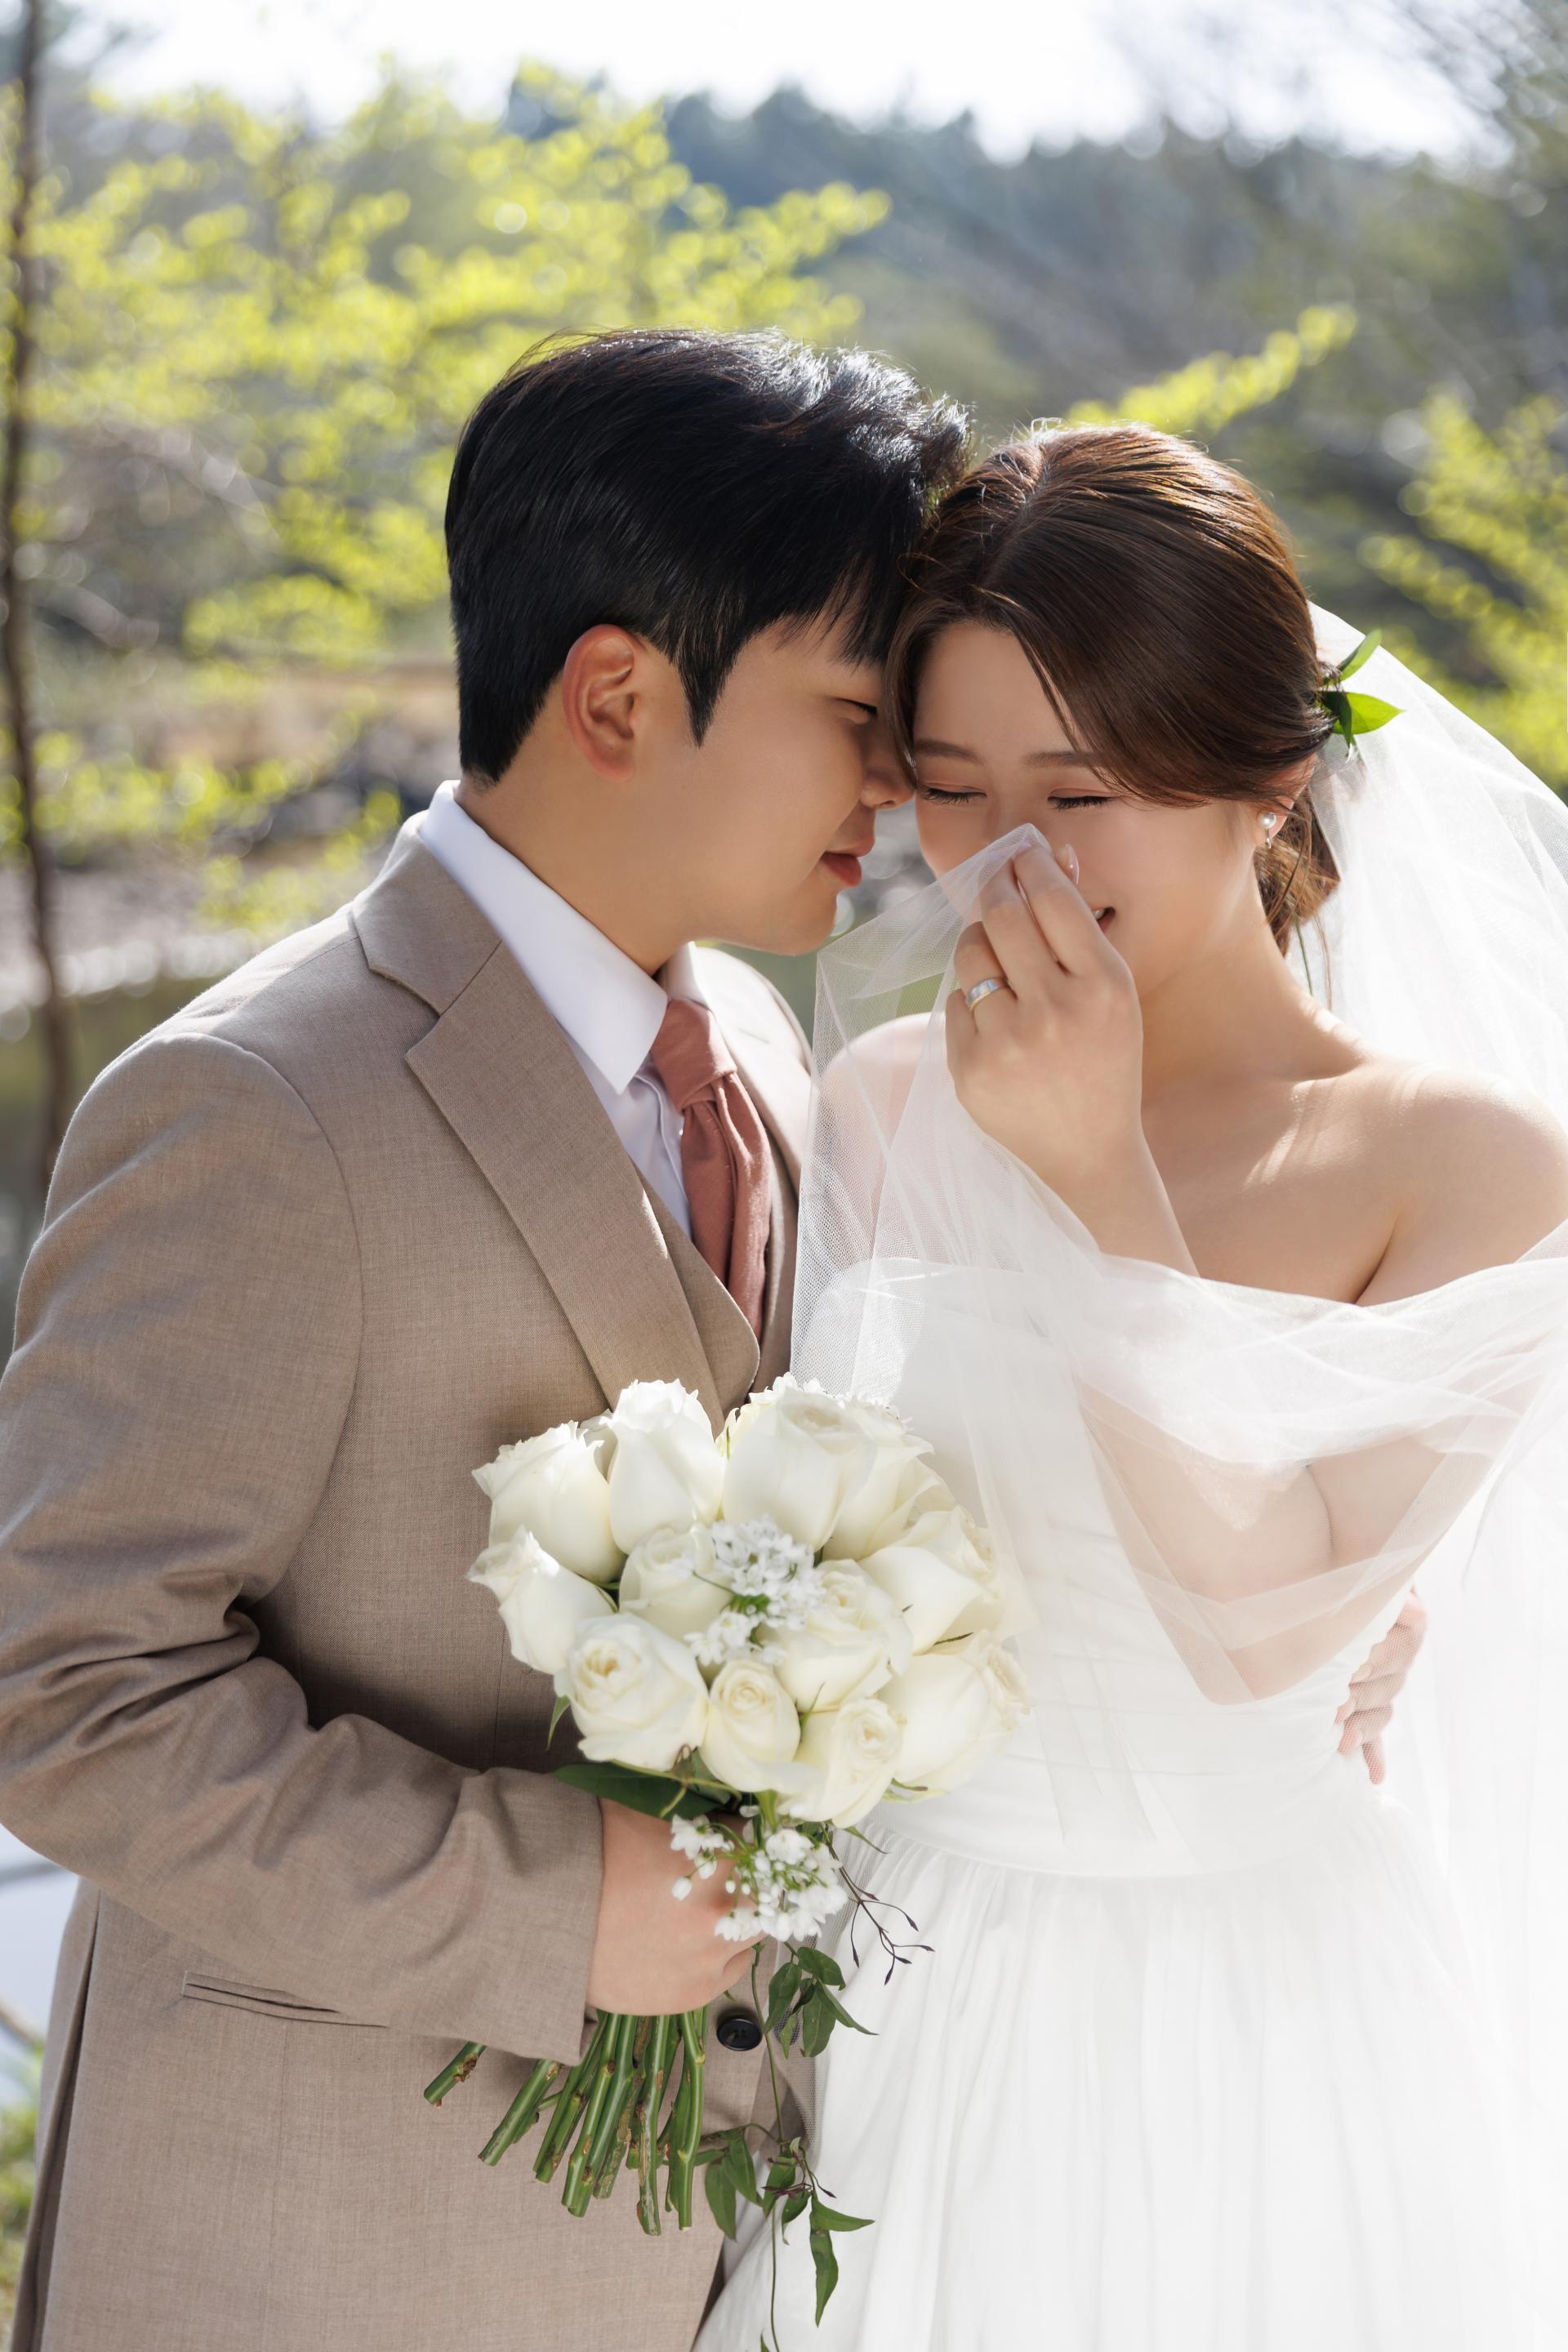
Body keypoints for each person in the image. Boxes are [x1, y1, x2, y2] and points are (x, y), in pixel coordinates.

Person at [0, 327, 967, 2352]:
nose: (895, 782)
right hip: (318, 2256)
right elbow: (61, 1688)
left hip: (723, 2261)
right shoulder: (254, 1105)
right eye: (856, 710)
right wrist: (555, 1905)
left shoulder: (767, 1053)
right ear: (617, 693)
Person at [700, 424, 1568, 2350]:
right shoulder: (878, 1101)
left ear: (1273, 780)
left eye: (1082, 792)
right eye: (952, 787)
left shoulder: (1463, 1162)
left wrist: (1102, 1183)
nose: (1011, 857)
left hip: (1254, 2004)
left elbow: (1262, 1638)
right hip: (920, 1979)